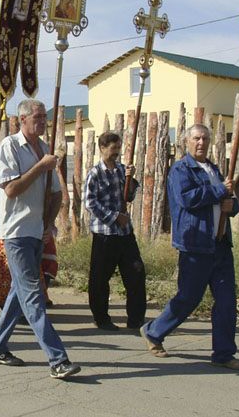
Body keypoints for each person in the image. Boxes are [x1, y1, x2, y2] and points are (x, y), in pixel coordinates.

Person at [140, 124, 239, 371]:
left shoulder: (213, 169)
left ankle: (224, 353)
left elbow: (227, 200)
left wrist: (232, 206)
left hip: (220, 245)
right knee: (189, 298)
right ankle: (153, 331)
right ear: (187, 142)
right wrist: (220, 190)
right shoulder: (181, 170)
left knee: (226, 301)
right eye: (197, 138)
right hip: (195, 245)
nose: (201, 143)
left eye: (205, 138)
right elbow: (188, 199)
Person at [0, 99, 80, 380]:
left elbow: (56, 193)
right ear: (22, 119)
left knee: (20, 293)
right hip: (15, 231)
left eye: (44, 117)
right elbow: (11, 189)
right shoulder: (10, 146)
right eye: (37, 117)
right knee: (33, 295)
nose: (42, 122)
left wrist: (48, 223)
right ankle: (58, 359)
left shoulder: (44, 149)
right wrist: (40, 166)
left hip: (36, 230)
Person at [83, 131, 146, 331]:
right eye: (113, 148)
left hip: (125, 233)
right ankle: (101, 318)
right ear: (102, 148)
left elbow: (129, 196)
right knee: (100, 278)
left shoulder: (121, 170)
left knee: (136, 272)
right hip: (105, 234)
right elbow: (90, 202)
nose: (116, 152)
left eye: (118, 148)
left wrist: (130, 179)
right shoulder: (95, 173)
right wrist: (114, 217)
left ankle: (136, 319)